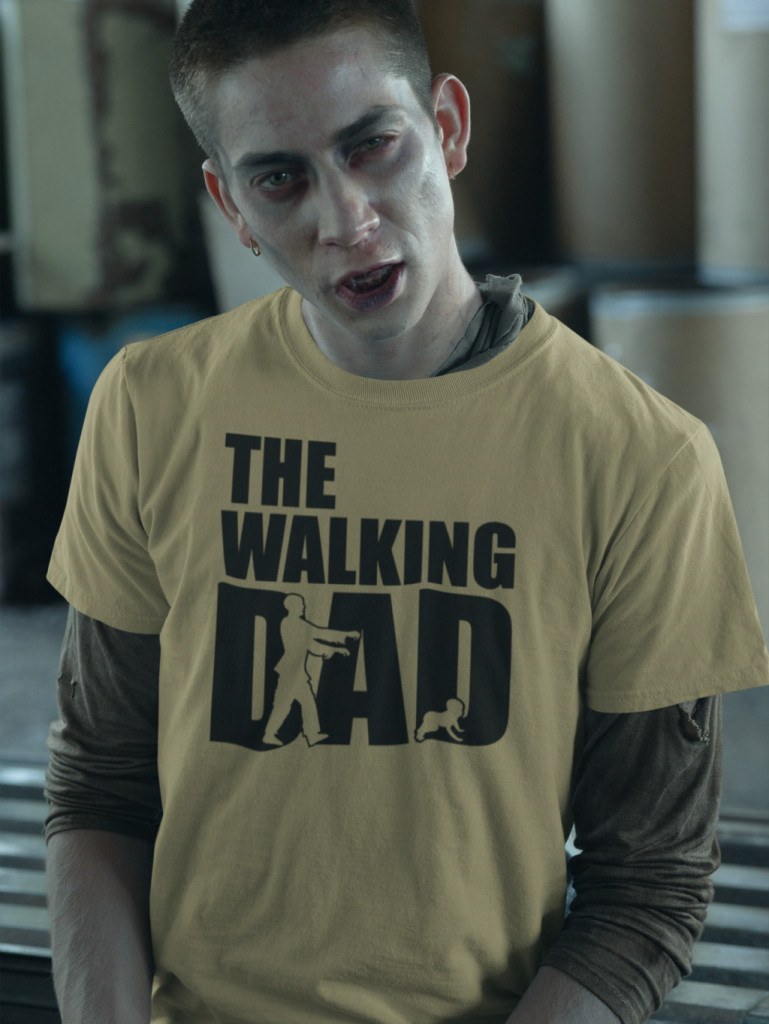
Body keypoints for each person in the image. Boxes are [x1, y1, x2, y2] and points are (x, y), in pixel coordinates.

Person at [43, 1, 769, 1022]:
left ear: (449, 128)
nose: (345, 220)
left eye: (371, 146)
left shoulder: (641, 458)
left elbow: (648, 884)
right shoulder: (149, 406)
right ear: (230, 206)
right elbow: (101, 786)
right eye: (280, 178)